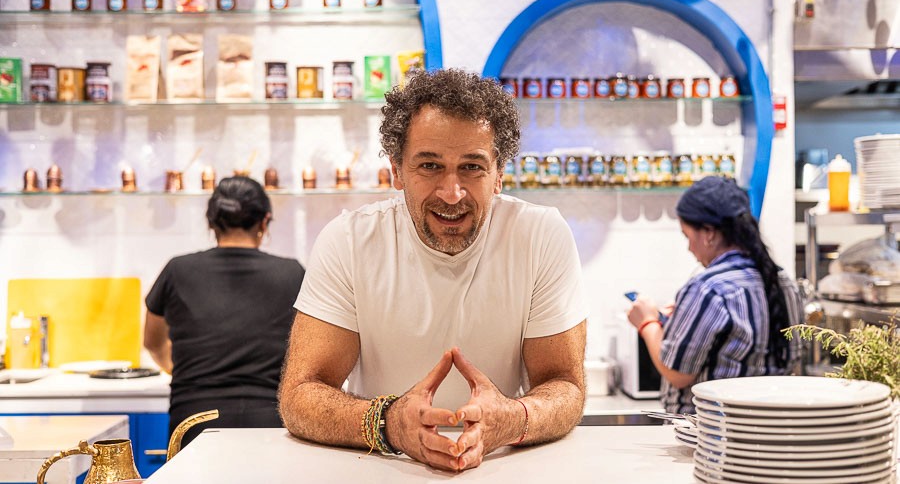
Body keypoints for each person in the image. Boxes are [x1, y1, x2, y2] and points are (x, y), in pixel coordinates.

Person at [278, 68, 587, 472]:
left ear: (499, 174)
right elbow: (300, 395)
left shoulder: (540, 235)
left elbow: (565, 386)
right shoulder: (349, 240)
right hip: (378, 469)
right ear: (397, 170)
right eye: (429, 165)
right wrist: (388, 424)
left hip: (499, 468)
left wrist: (513, 419)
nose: (451, 192)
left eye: (472, 167)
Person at [144, 176, 305, 446]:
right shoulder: (293, 273)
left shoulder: (177, 270)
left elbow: (152, 343)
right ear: (264, 222)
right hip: (272, 422)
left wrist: (189, 370)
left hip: (194, 424)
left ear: (210, 222)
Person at [626, 176, 803, 414]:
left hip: (710, 436)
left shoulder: (708, 288)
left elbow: (677, 374)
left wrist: (646, 322)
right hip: (765, 431)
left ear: (709, 233)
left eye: (688, 236)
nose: (689, 248)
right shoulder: (784, 284)